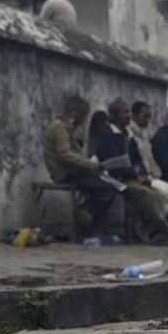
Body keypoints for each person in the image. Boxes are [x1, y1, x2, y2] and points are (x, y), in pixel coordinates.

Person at [95, 98, 168, 243]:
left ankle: (152, 231)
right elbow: (114, 165)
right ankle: (165, 230)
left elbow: (137, 160)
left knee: (155, 193)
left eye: (128, 112)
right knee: (146, 194)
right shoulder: (107, 135)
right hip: (116, 179)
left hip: (131, 177)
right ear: (114, 116)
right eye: (123, 113)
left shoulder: (128, 136)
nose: (127, 116)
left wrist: (142, 175)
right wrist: (135, 176)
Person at [42, 95, 111, 236]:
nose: (84, 120)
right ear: (74, 113)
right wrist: (91, 165)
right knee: (105, 190)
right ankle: (84, 215)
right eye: (83, 116)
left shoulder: (70, 128)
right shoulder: (59, 128)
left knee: (107, 184)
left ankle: (86, 217)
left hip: (74, 170)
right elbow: (65, 155)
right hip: (65, 173)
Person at [128, 101, 168, 218]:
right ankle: (155, 220)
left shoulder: (143, 135)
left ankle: (156, 220)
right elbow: (134, 159)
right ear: (134, 116)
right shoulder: (130, 135)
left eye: (149, 117)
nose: (147, 120)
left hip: (152, 175)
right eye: (145, 116)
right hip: (141, 176)